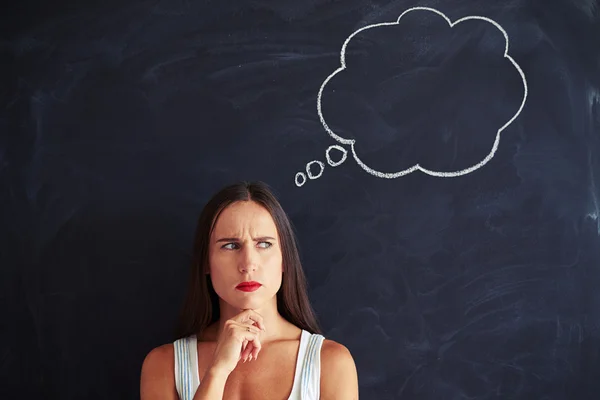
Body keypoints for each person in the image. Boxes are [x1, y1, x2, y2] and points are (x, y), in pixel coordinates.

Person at [140, 181, 359, 399]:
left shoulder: (330, 363)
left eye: (264, 244)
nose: (248, 263)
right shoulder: (165, 365)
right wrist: (218, 370)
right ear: (206, 262)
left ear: (284, 260)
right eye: (230, 245)